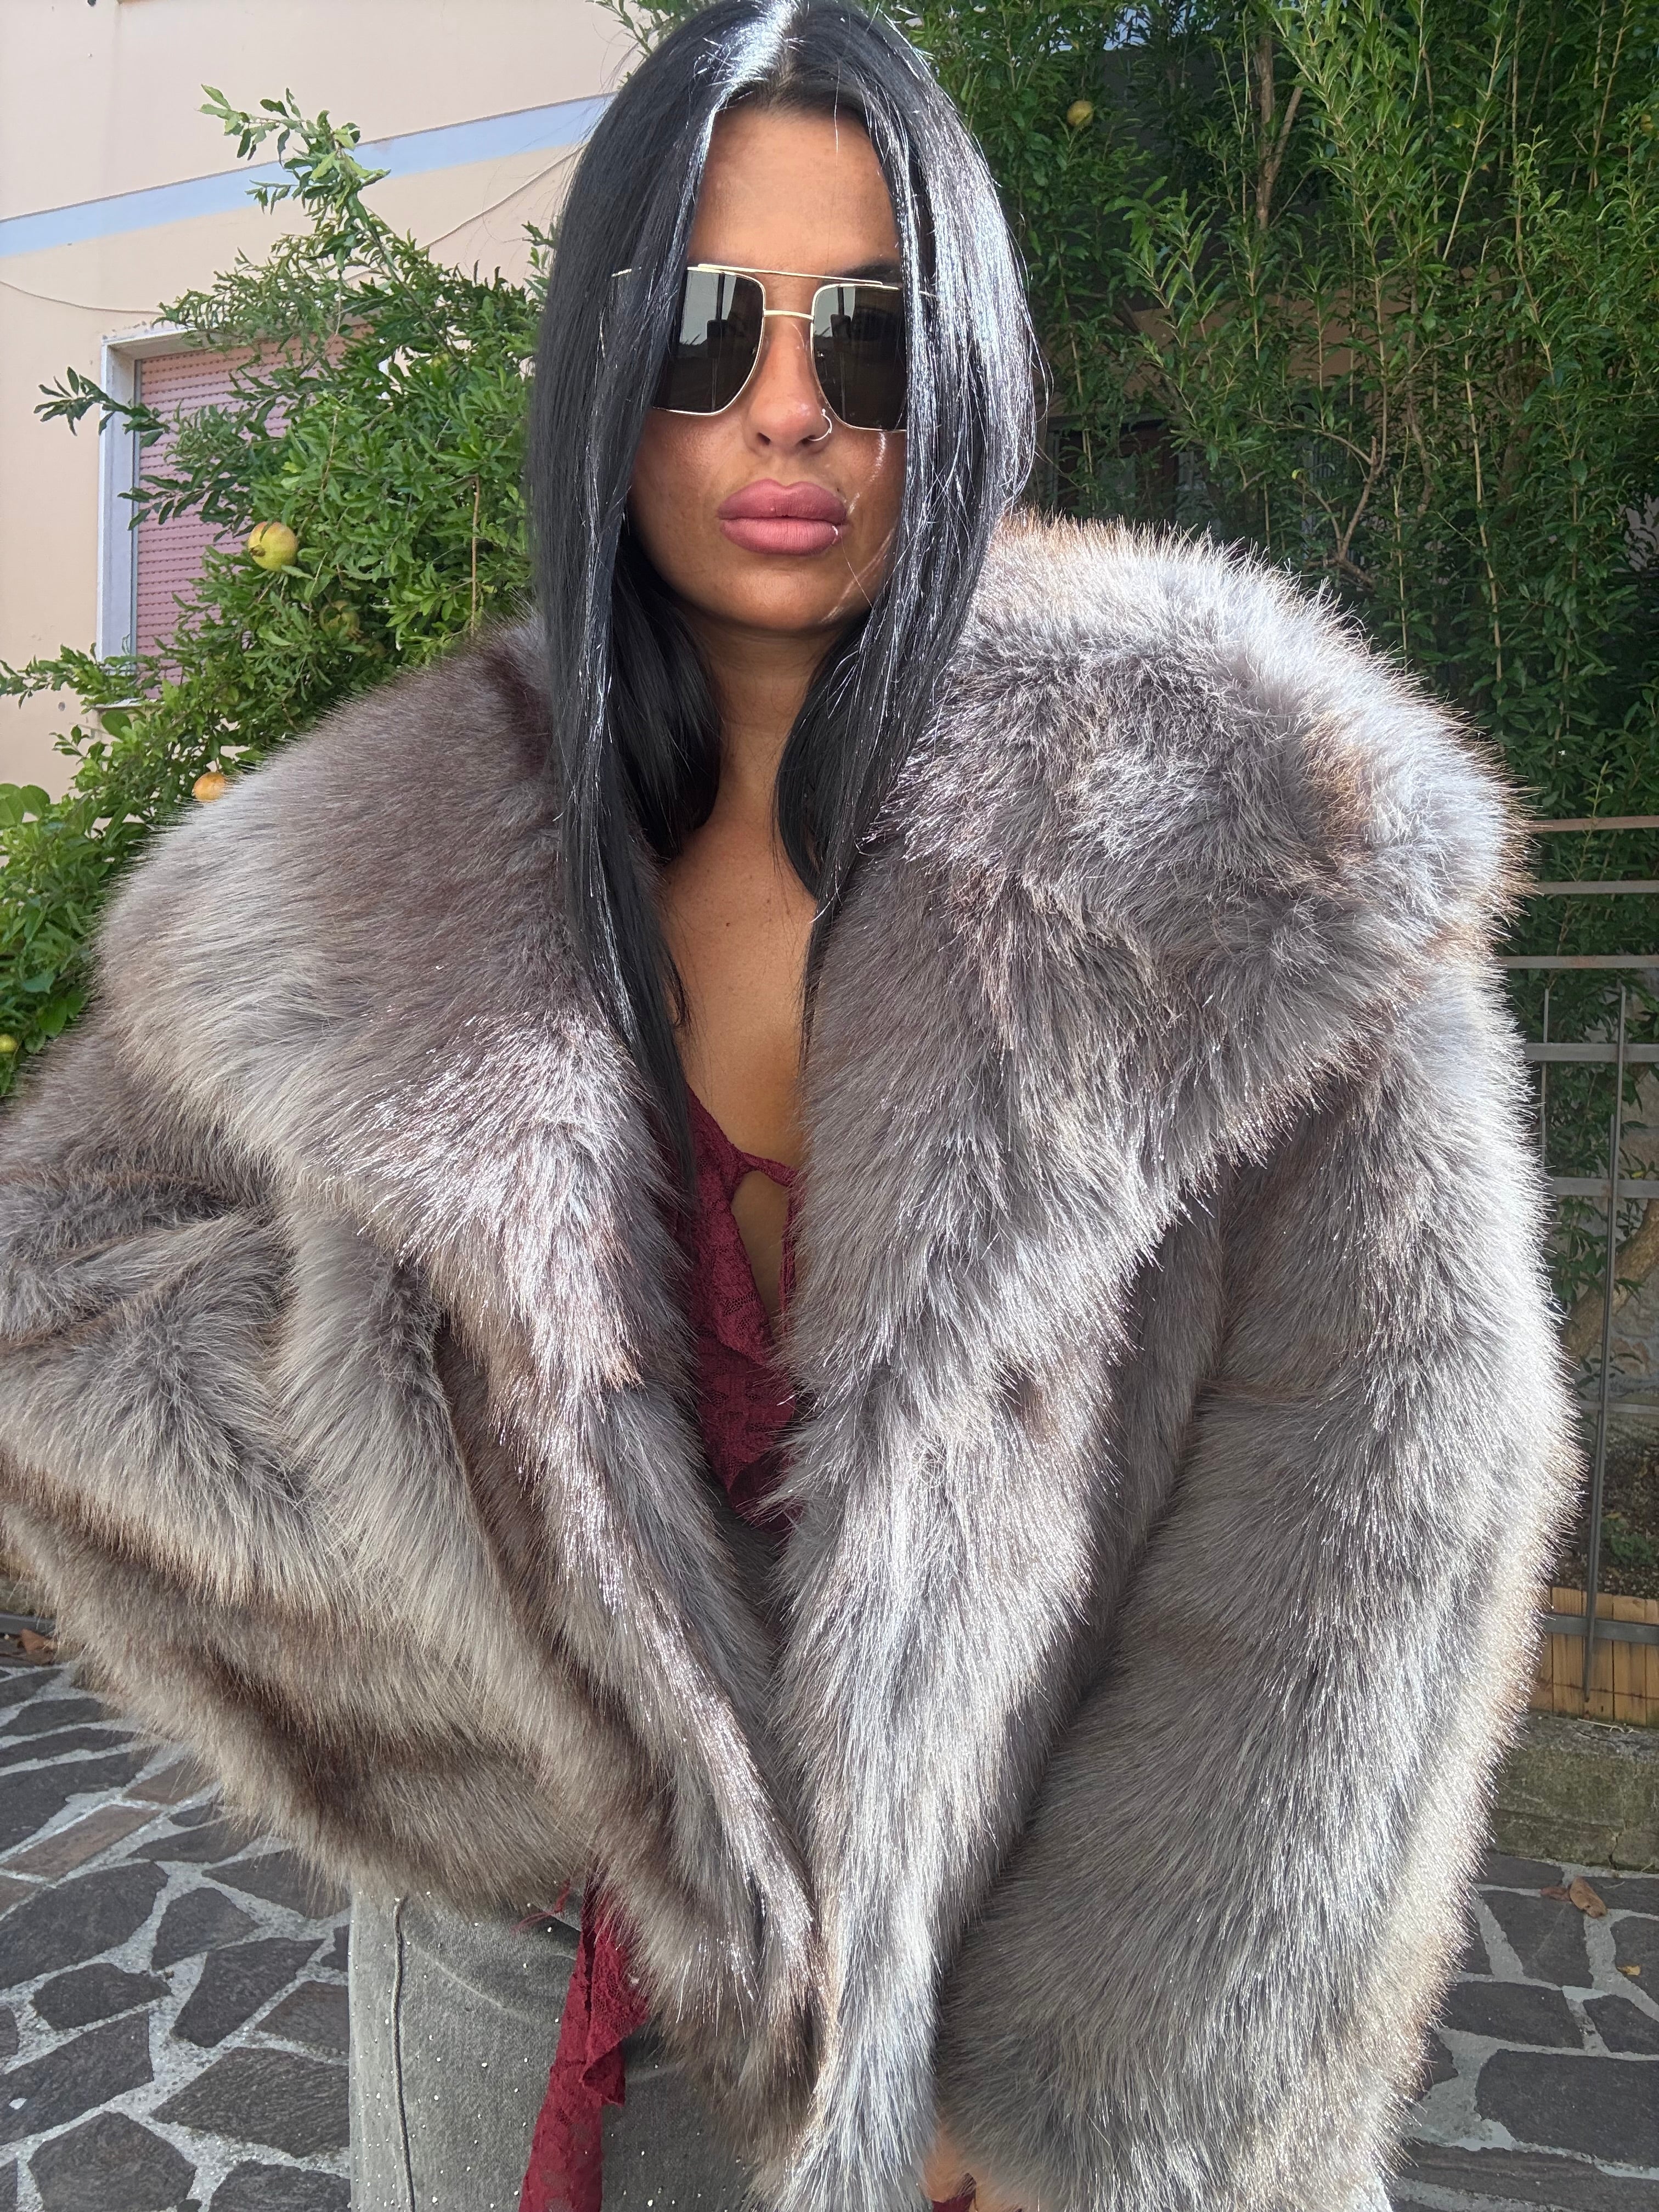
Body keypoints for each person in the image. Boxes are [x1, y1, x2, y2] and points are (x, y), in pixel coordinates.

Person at [0, 3, 1575, 2208]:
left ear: (974, 371)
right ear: (601, 363)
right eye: (704, 326)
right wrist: (548, 1693)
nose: (789, 407)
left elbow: (1386, 1503)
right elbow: (58, 1304)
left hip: (1008, 2078)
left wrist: (1082, 2088)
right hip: (520, 2032)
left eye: (875, 336)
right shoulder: (372, 869)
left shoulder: (1261, 848)